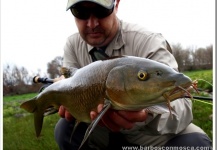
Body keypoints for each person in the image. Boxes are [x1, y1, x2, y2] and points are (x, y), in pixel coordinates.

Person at [54, 0, 212, 149]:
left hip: (148, 135)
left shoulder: (149, 41)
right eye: (80, 12)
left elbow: (183, 107)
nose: (92, 23)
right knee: (64, 129)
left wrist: (146, 112)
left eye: (101, 11)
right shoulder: (72, 45)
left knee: (196, 143)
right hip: (101, 128)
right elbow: (68, 82)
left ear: (116, 4)